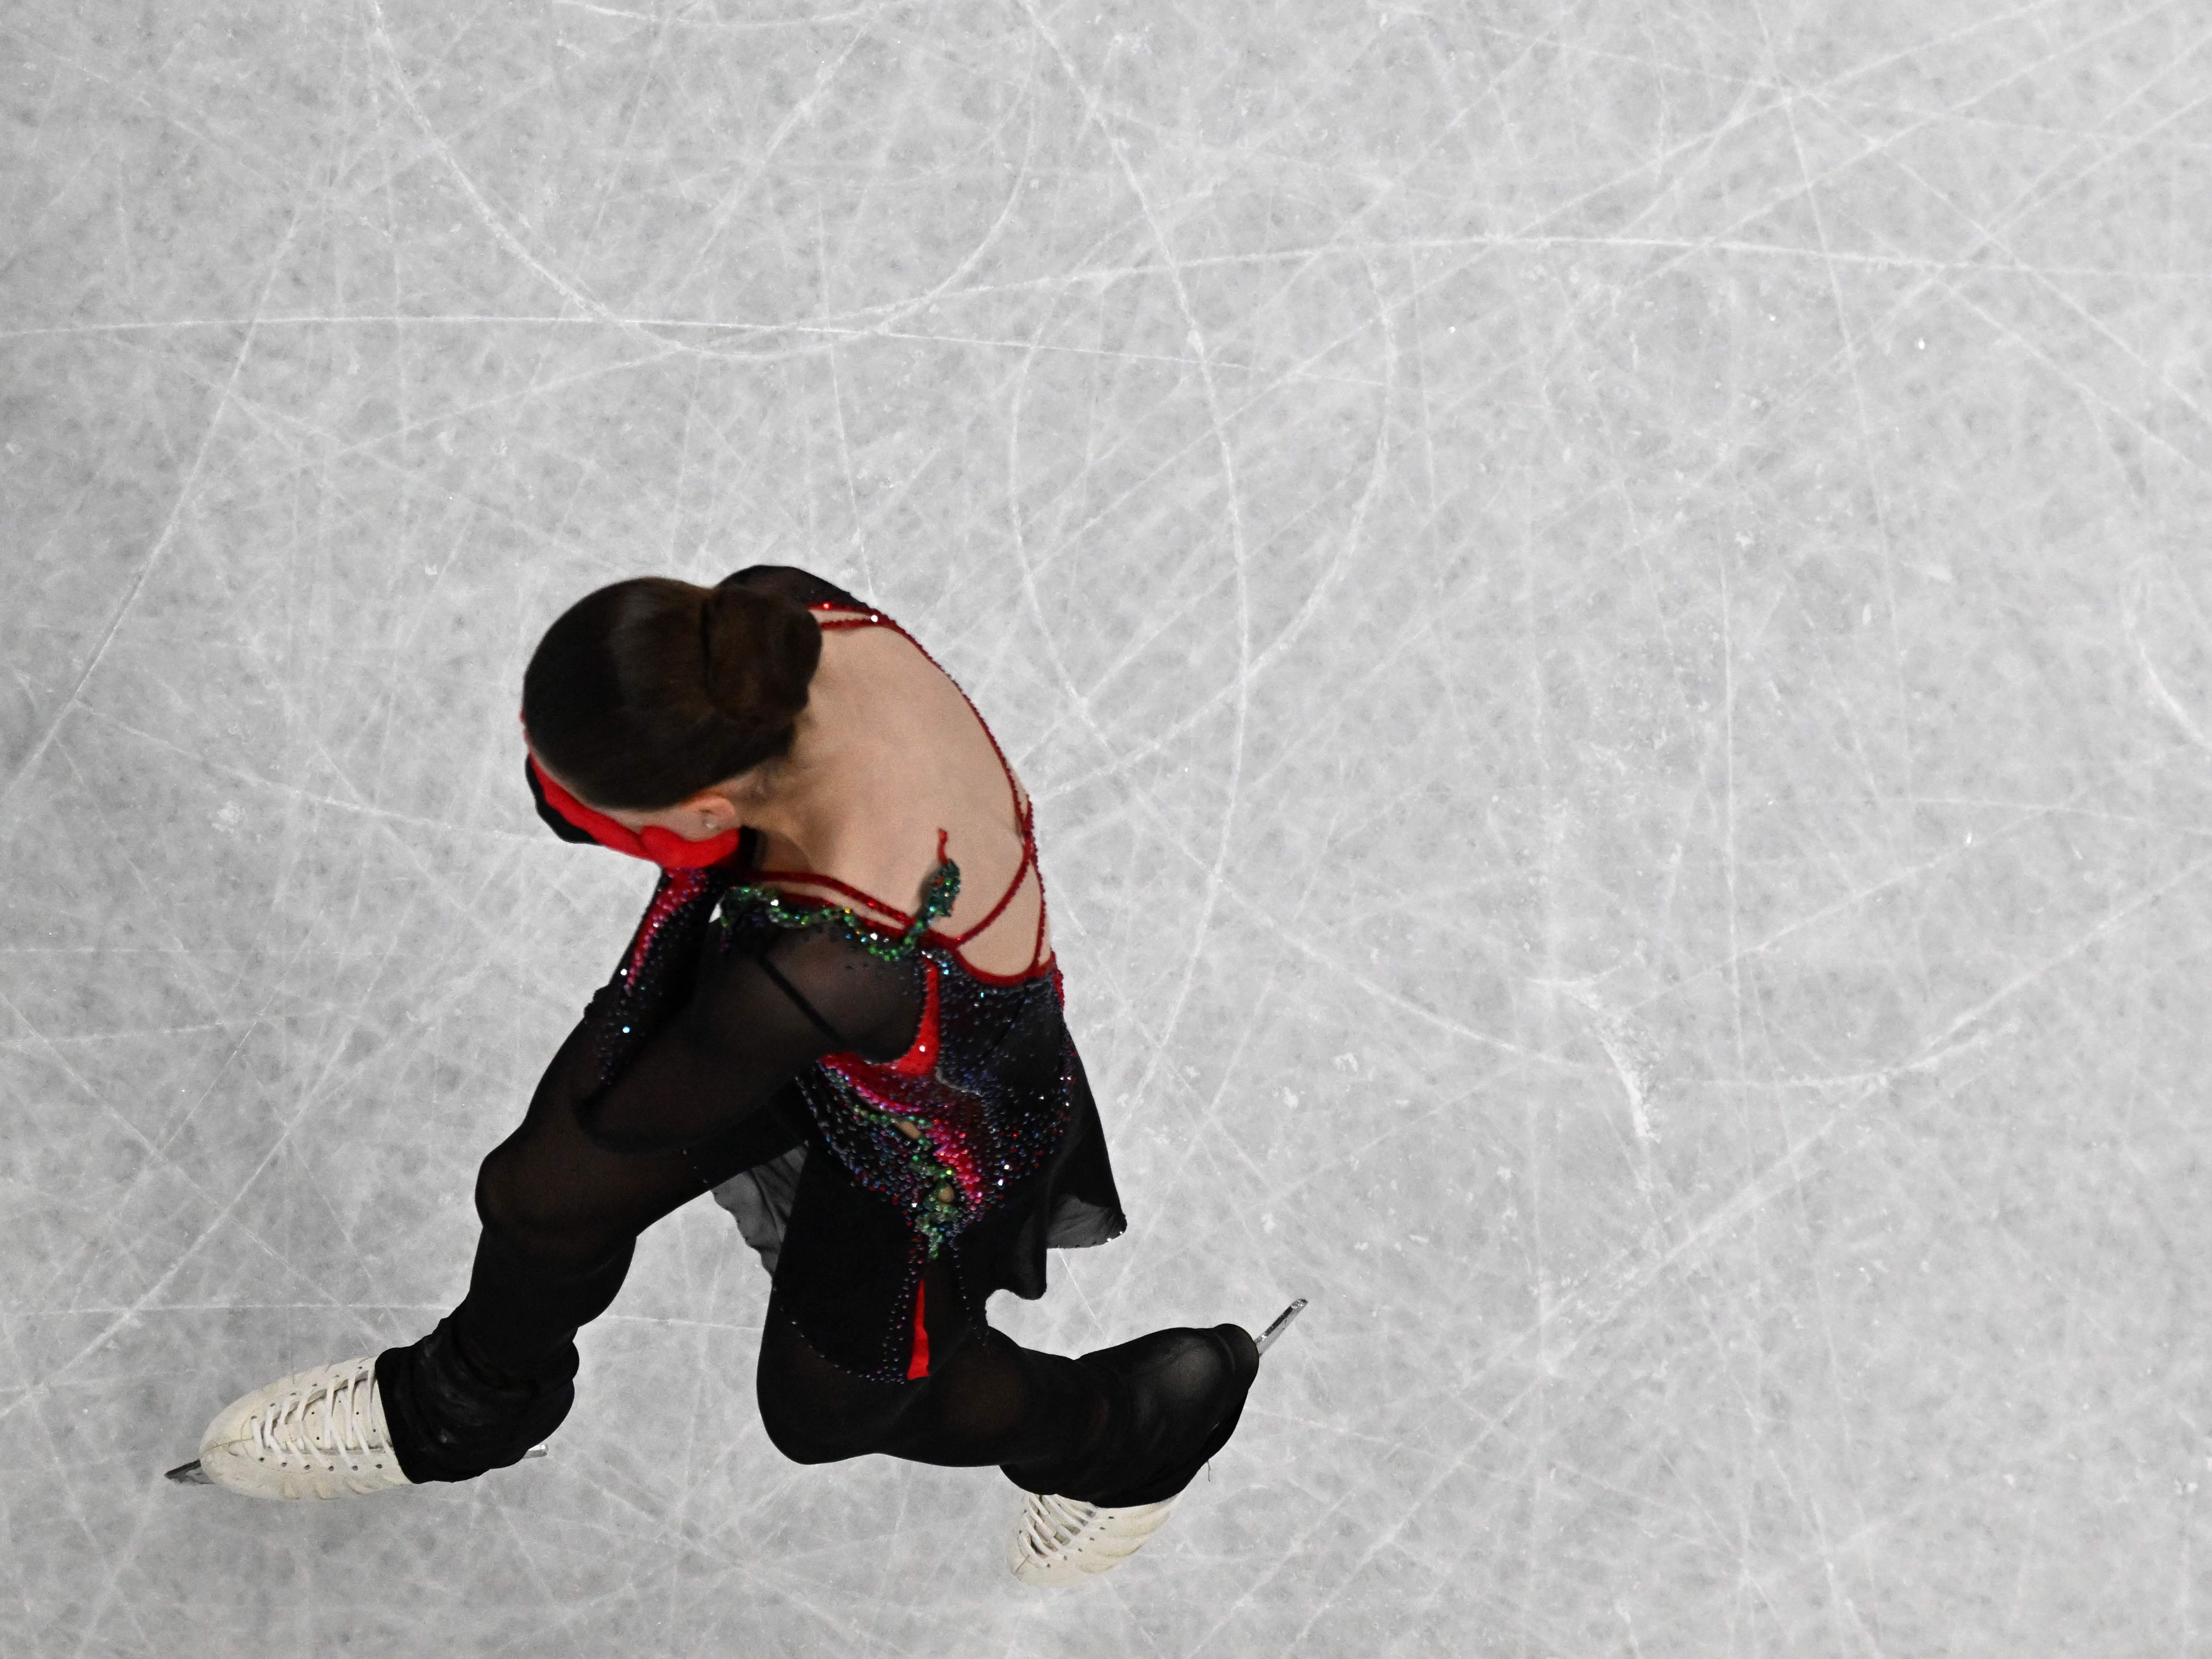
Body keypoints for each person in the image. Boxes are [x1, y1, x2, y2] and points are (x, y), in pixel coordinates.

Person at [185, 565, 1265, 1585]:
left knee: (825, 1410)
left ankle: (1128, 1426)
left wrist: (684, 888)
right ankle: (466, 1405)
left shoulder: (824, 968)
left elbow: (632, 1114)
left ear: (704, 816)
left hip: (928, 1121)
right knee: (542, 1196)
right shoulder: (766, 615)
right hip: (816, 975)